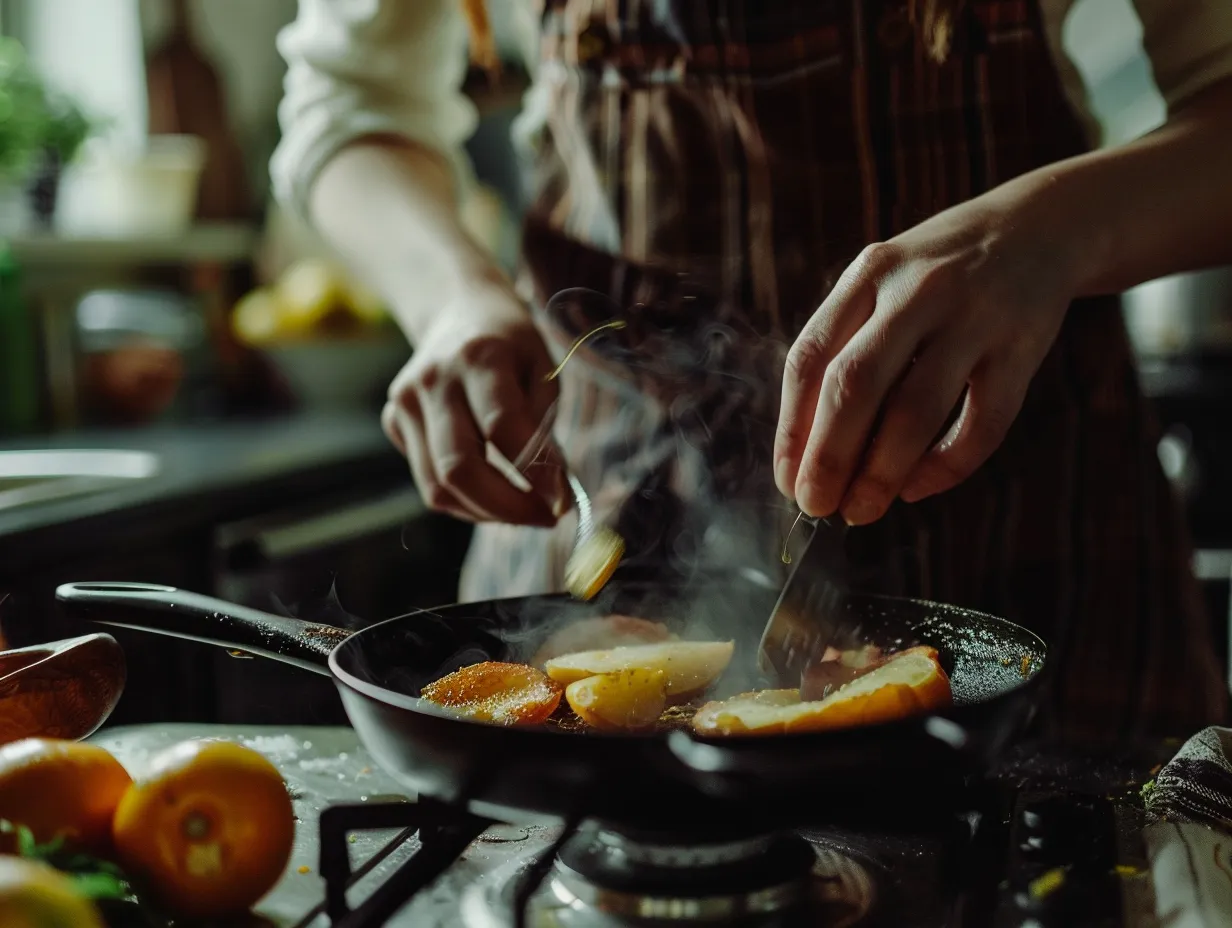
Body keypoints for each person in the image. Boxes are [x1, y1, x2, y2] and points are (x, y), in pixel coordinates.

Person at [270, 0, 1232, 738]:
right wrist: (452, 299)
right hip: (607, 518)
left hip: (1030, 513)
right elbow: (351, 101)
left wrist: (1048, 235)